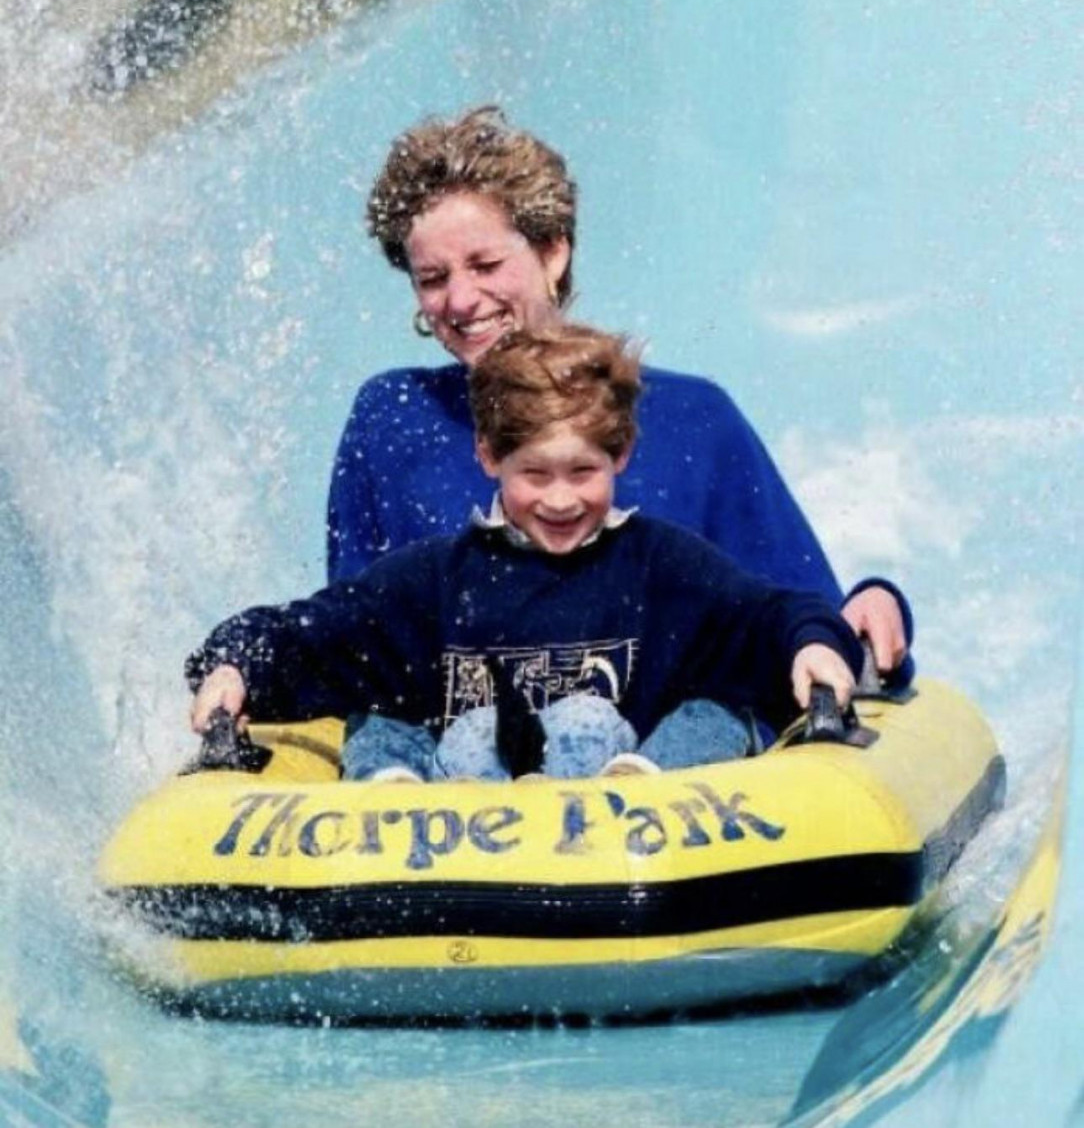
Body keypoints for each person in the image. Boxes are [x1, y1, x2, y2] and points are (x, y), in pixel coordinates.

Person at [326, 106, 911, 680]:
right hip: (454, 764)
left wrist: (872, 604)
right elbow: (350, 637)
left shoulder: (693, 420)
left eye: (485, 264)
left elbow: (803, 618)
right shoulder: (393, 419)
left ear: (553, 250)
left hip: (667, 767)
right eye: (433, 279)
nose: (459, 300)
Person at [190, 326, 907, 782]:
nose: (560, 499)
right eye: (535, 475)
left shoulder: (660, 566)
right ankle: (390, 800)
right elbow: (317, 631)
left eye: (582, 473)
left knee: (715, 714)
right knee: (380, 723)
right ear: (489, 457)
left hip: (635, 822)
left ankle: (640, 782)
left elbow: (765, 613)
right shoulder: (438, 580)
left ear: (621, 456)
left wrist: (813, 643)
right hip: (463, 814)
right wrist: (232, 662)